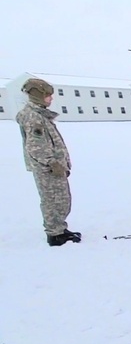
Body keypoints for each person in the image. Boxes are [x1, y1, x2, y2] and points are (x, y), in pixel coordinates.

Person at [16, 78, 80, 246]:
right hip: (48, 169)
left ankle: (59, 229)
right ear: (38, 96)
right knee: (53, 200)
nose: (51, 99)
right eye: (48, 96)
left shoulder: (40, 114)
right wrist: (52, 163)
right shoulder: (33, 117)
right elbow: (35, 146)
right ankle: (55, 234)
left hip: (53, 168)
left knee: (61, 199)